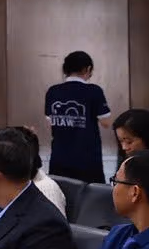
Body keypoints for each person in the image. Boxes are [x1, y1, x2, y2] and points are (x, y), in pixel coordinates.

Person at [43, 51, 111, 184]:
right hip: (88, 160)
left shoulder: (53, 91)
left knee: (61, 193)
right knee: (91, 194)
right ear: (88, 69)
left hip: (59, 158)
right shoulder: (94, 91)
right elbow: (106, 122)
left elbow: (50, 121)